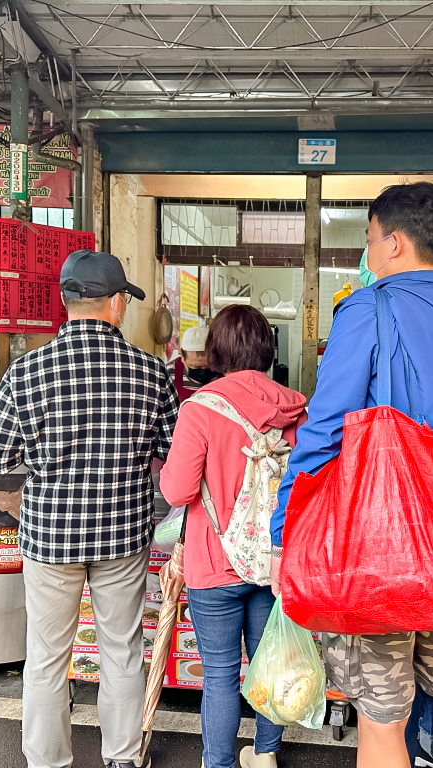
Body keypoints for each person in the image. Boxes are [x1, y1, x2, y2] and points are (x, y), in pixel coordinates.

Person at [270, 182, 433, 768]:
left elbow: (325, 427)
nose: (368, 251)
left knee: (383, 715)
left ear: (396, 244)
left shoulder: (369, 308)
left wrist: (287, 529)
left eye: (370, 239)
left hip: (377, 555)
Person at [0, 249, 179, 768]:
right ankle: (122, 757)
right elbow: (174, 453)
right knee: (122, 650)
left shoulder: (25, 372)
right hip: (122, 535)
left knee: (46, 659)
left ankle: (48, 761)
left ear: (66, 302)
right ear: (115, 302)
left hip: (50, 538)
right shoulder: (151, 374)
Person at [160, 304, 307, 768]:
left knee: (221, 676)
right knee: (271, 663)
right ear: (268, 349)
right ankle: (264, 755)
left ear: (216, 351)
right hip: (274, 562)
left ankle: (218, 762)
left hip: (213, 561)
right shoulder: (295, 406)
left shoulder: (201, 410)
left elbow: (178, 489)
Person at [170, 325, 221, 402]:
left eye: (208, 366)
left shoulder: (225, 372)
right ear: (182, 356)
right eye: (196, 367)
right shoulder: (168, 374)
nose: (203, 370)